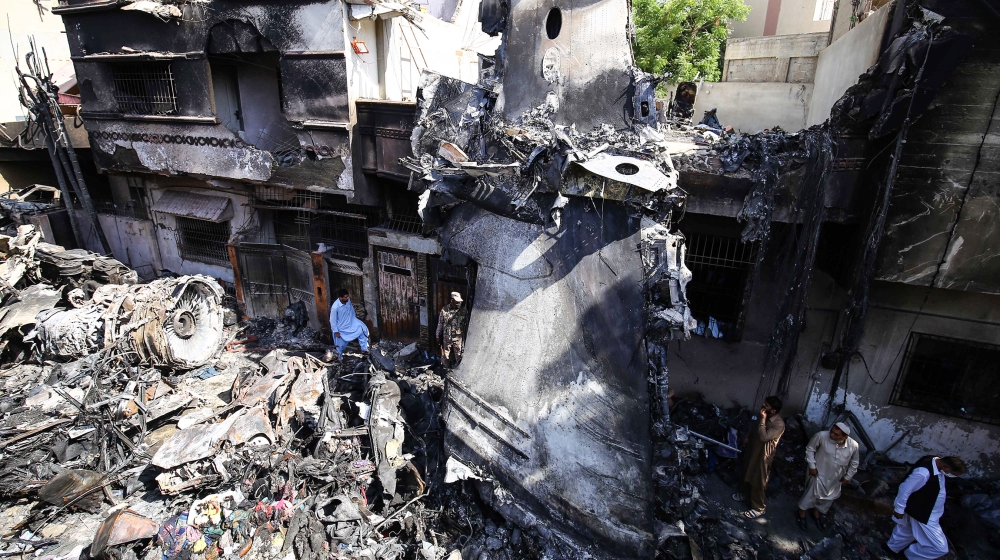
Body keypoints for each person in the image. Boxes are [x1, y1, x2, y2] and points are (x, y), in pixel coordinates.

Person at [885, 456, 966, 560]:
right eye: (953, 474)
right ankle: (910, 556)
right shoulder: (923, 473)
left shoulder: (935, 461)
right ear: (946, 466)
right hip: (925, 514)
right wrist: (899, 509)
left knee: (908, 530)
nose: (952, 476)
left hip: (926, 510)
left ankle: (891, 548)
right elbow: (905, 489)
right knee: (940, 548)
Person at [796, 422, 860, 530]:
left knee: (827, 499)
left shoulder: (853, 446)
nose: (832, 435)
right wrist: (812, 466)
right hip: (818, 473)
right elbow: (810, 449)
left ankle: (816, 514)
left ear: (844, 437)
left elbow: (854, 463)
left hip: (836, 478)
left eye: (836, 435)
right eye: (832, 432)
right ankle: (801, 514)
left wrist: (848, 477)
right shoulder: (821, 436)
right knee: (810, 495)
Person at [732, 395, 785, 518]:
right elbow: (755, 427)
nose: (763, 406)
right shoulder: (763, 414)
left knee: (758, 480)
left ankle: (758, 507)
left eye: (767, 405)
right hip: (753, 448)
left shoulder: (779, 424)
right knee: (747, 472)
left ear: (773, 410)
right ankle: (745, 494)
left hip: (763, 455)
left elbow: (764, 437)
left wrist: (763, 419)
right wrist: (748, 437)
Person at [330, 288, 369, 358]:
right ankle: (339, 358)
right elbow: (332, 320)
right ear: (340, 298)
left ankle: (364, 349)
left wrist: (354, 318)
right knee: (340, 345)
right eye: (345, 297)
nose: (347, 298)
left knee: (363, 329)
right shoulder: (335, 307)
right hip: (342, 327)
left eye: (348, 296)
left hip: (351, 321)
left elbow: (351, 309)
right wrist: (336, 331)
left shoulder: (348, 301)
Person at [436, 292, 468, 367]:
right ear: (452, 300)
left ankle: (459, 369)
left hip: (458, 337)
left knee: (459, 354)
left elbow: (467, 324)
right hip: (447, 336)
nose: (458, 303)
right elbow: (440, 323)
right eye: (457, 302)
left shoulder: (463, 311)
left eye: (459, 302)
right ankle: (445, 368)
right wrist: (437, 335)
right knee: (445, 354)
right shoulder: (444, 310)